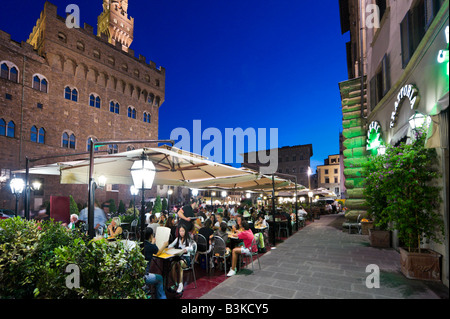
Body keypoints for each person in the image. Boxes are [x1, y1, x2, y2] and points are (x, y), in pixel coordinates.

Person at [167, 224, 195, 293]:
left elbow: (192, 248)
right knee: (172, 264)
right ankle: (176, 283)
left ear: (185, 231)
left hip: (186, 258)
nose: (181, 232)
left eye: (183, 231)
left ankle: (180, 284)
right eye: (180, 231)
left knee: (179, 264)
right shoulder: (178, 239)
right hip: (179, 257)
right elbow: (170, 245)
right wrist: (171, 247)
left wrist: (186, 249)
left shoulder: (188, 239)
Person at [143, 227, 167, 299]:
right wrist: (164, 245)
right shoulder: (151, 247)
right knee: (160, 278)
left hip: (137, 274)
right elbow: (158, 252)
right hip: (145, 276)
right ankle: (162, 297)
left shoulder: (141, 244)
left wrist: (152, 243)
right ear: (151, 236)